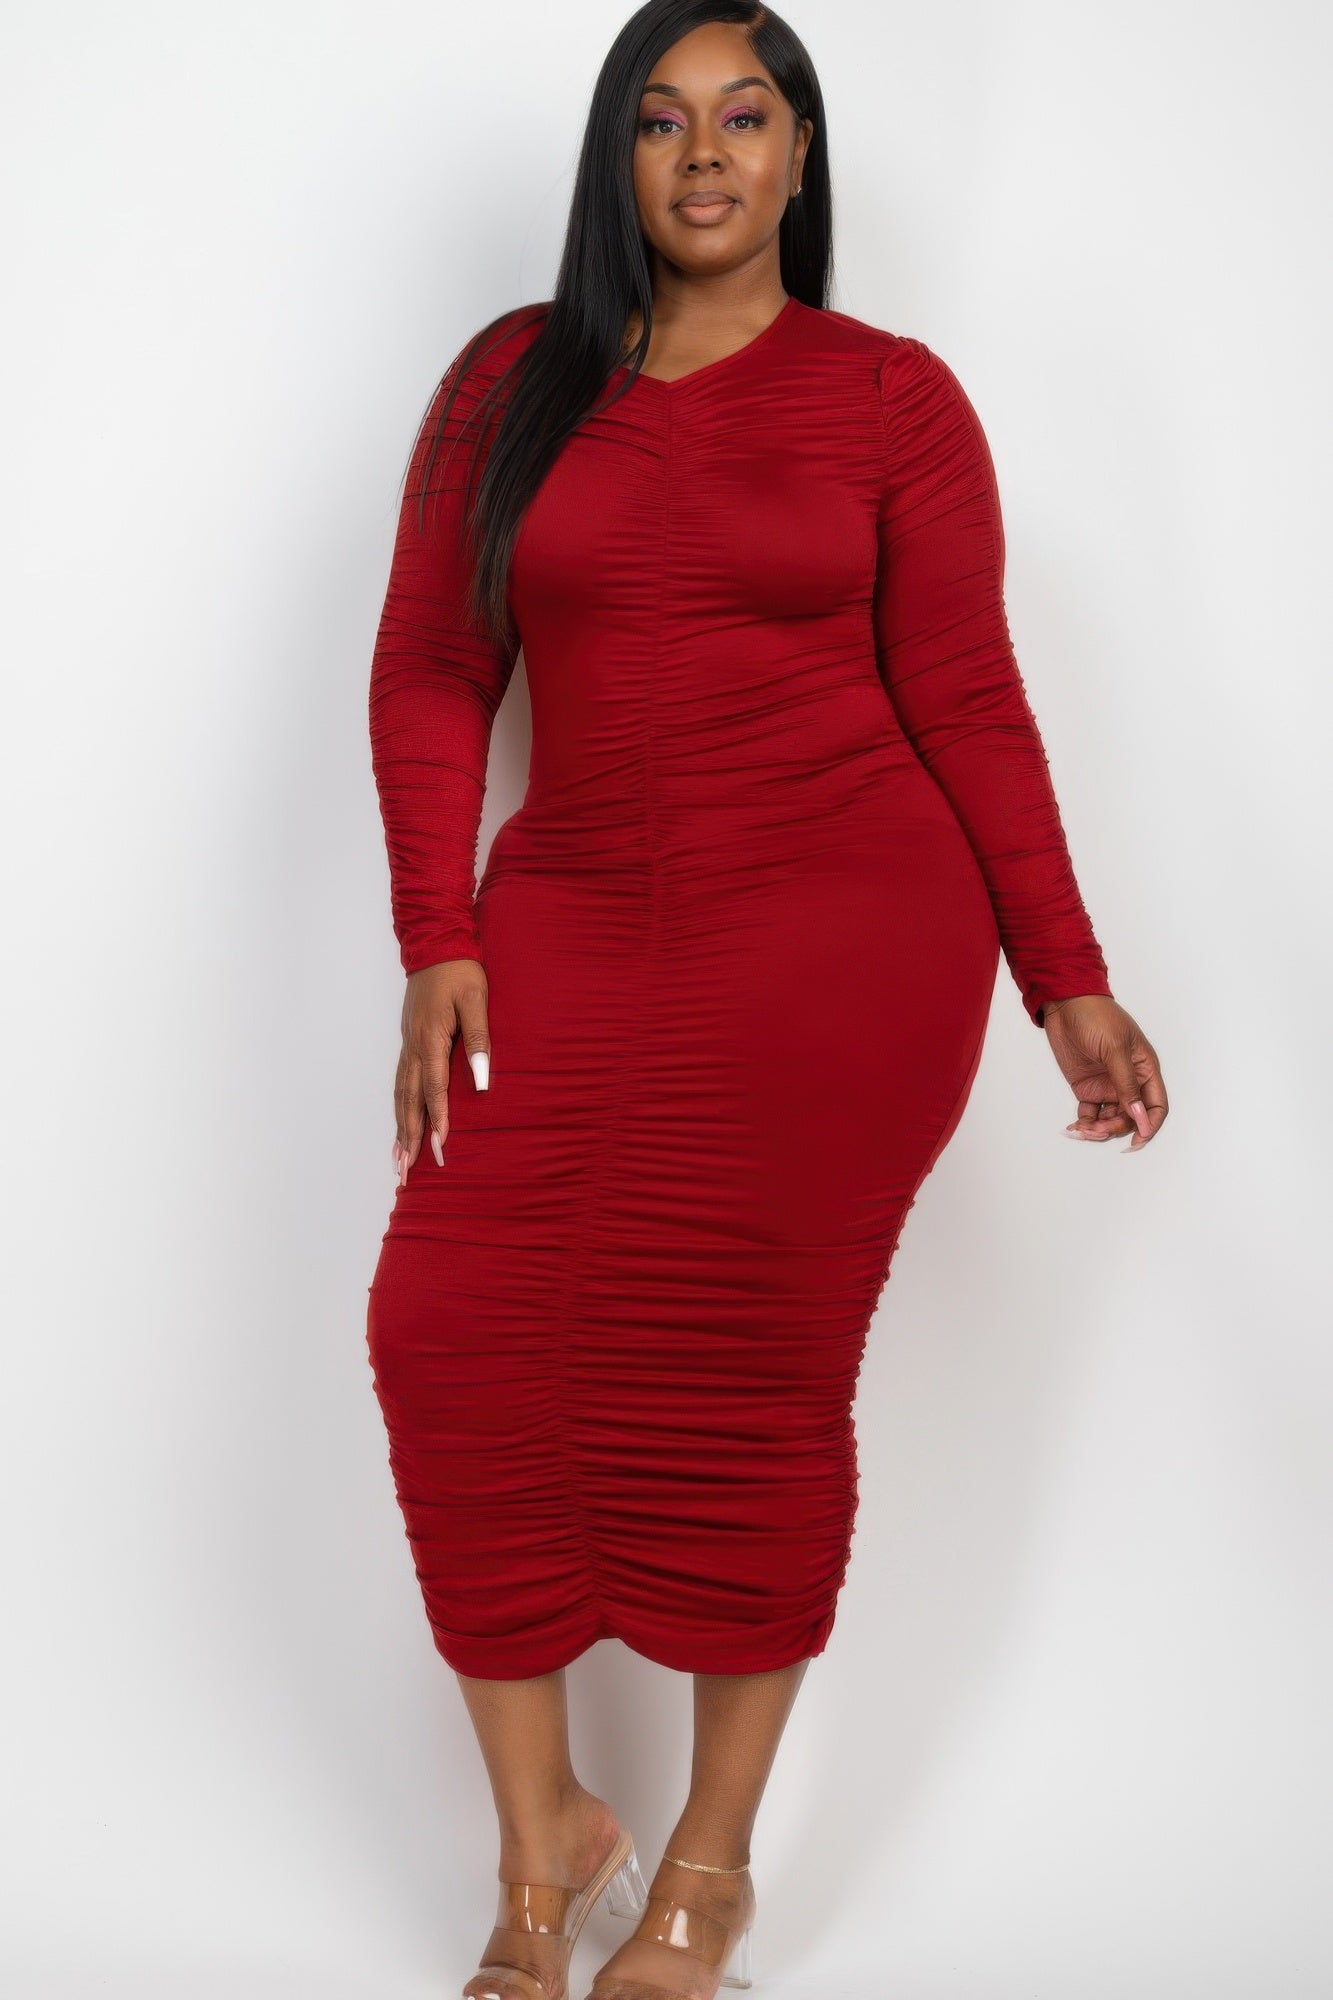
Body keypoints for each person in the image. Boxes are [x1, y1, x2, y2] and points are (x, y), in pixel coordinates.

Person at [364, 6, 1169, 1998]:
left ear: (801, 154)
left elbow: (966, 698)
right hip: (573, 913)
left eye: (745, 116)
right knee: (443, 1330)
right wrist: (437, 931)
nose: (705, 153)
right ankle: (544, 1842)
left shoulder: (890, 398)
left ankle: (705, 1875)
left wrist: (1063, 975)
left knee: (747, 1378)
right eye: (661, 120)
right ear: (616, 157)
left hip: (841, 939)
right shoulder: (508, 381)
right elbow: (435, 664)